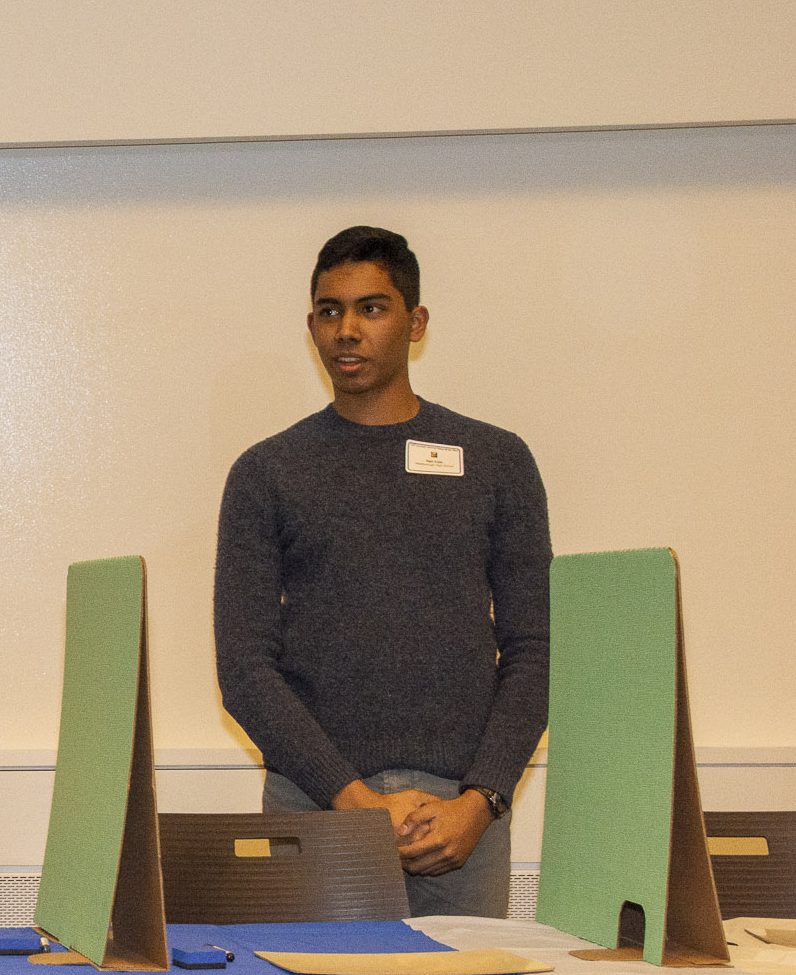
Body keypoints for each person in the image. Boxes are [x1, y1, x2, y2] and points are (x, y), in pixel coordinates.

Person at [213, 225, 550, 918]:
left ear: (415, 322)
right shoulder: (266, 472)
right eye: (329, 311)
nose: (347, 330)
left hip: (462, 823)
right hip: (318, 811)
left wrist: (482, 800)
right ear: (312, 327)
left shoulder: (496, 461)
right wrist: (353, 802)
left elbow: (537, 650)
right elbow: (244, 668)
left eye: (371, 308)